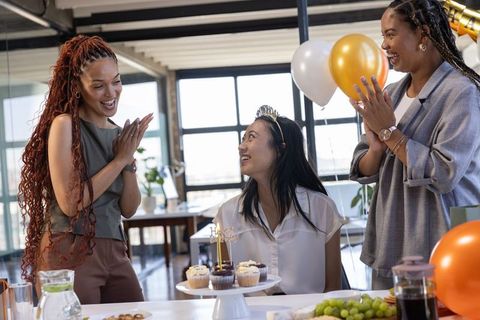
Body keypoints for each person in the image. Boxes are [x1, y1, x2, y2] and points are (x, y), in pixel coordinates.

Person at [349, 0, 480, 289]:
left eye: (391, 34)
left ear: (422, 35)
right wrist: (377, 147)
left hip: (441, 241)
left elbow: (444, 172)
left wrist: (389, 131)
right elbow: (364, 165)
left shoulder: (462, 93)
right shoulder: (391, 94)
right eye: (382, 35)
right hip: (392, 238)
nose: (384, 45)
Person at [18, 35, 154, 304]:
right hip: (67, 248)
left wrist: (128, 162)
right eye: (99, 86)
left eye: (116, 81)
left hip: (114, 249)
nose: (111, 93)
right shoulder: (64, 125)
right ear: (77, 86)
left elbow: (128, 209)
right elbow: (71, 203)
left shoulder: (118, 134)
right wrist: (119, 160)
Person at [214, 105, 343, 294]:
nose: (241, 146)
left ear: (280, 149)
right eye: (243, 139)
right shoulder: (228, 214)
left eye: (251, 137)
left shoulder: (322, 209)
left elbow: (333, 289)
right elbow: (224, 287)